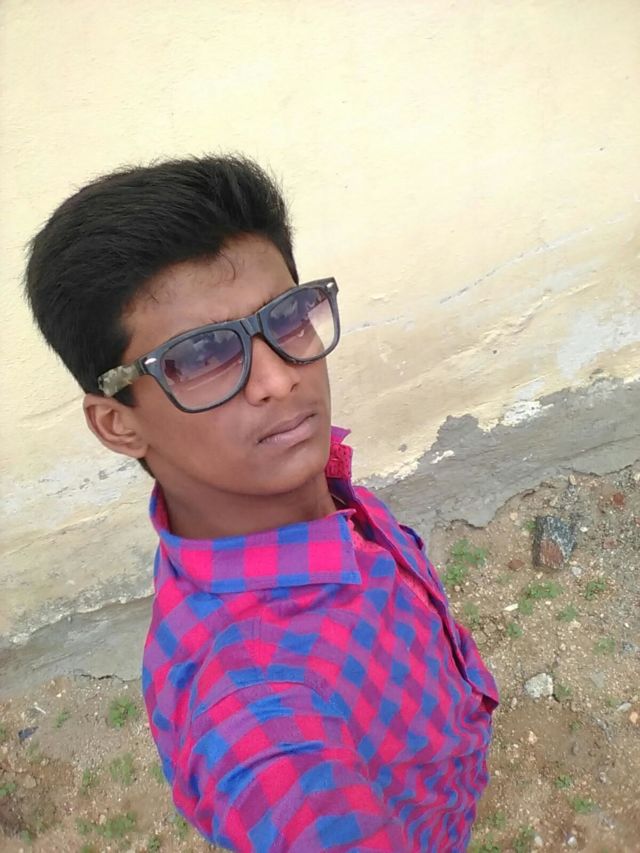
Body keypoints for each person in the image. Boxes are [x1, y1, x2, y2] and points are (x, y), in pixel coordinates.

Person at [25, 155, 498, 852]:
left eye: (287, 316)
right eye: (201, 355)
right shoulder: (253, 713)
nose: (278, 378)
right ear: (118, 424)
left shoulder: (292, 487)